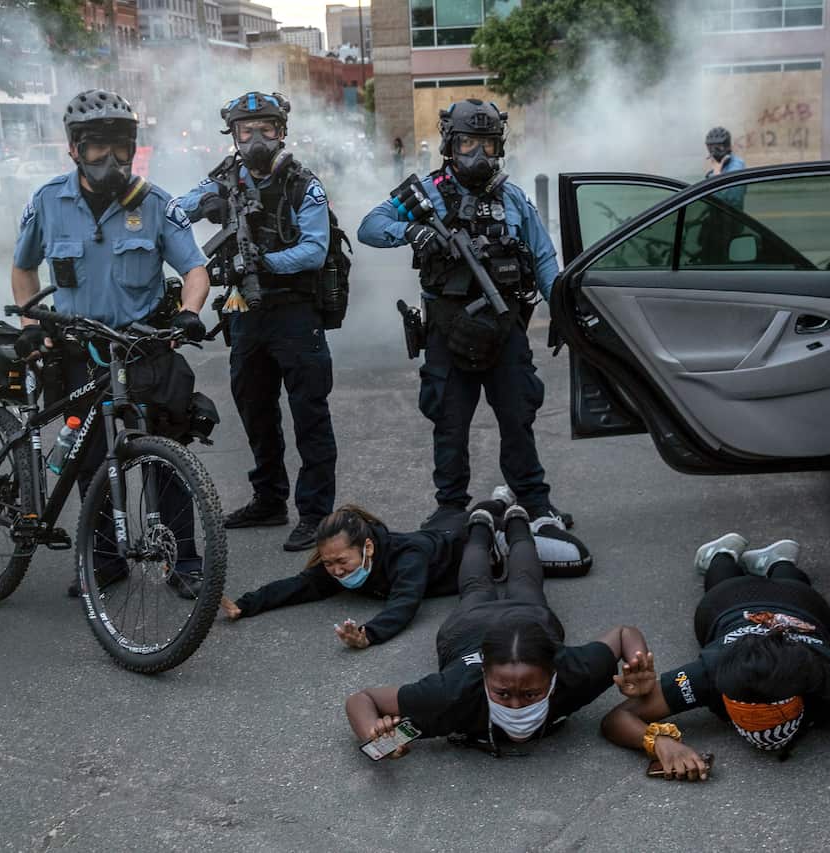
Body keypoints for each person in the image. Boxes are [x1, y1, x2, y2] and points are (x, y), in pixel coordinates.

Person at [10, 88, 211, 598]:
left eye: (122, 145)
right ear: (74, 148)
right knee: (90, 460)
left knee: (165, 458)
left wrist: (189, 314)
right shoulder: (47, 201)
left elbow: (194, 269)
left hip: (144, 350)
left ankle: (182, 560)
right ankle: (104, 561)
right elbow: (23, 266)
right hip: (79, 353)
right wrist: (31, 323)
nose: (112, 157)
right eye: (98, 145)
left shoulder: (157, 203)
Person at [600, 534, 830, 819]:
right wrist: (658, 742)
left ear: (803, 691)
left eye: (767, 711)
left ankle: (780, 561)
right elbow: (618, 718)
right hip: (730, 605)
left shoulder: (824, 675)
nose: (758, 722)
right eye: (747, 710)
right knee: (723, 578)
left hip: (802, 606)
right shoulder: (711, 671)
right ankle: (725, 552)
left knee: (791, 582)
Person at [356, 99, 566, 531]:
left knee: (517, 417)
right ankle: (451, 508)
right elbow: (369, 226)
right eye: (469, 143)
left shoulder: (513, 197)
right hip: (447, 331)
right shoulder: (427, 193)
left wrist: (561, 311)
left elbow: (544, 258)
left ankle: (535, 502)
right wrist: (411, 232)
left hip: (505, 327)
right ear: (452, 144)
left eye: (487, 145)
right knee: (449, 424)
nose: (478, 155)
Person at [345, 503, 649, 757]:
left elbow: (625, 635)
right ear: (483, 676)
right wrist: (377, 737)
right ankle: (480, 523)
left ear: (555, 673)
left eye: (531, 694)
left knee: (525, 582)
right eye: (502, 693)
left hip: (529, 618)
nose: (516, 706)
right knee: (477, 585)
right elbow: (362, 700)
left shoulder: (576, 672)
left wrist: (639, 667)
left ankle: (517, 520)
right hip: (469, 627)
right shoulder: (450, 695)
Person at [176, 92, 337, 552]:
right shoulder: (225, 181)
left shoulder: (303, 183)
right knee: (255, 409)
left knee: (310, 415)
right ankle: (269, 500)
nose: (256, 138)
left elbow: (314, 249)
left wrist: (262, 262)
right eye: (246, 131)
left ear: (281, 130)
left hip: (294, 313)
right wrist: (196, 208)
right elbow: (176, 212)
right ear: (233, 135)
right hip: (246, 315)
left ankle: (316, 514)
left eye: (265, 128)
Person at [219, 489, 593, 648]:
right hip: (446, 530)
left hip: (488, 545)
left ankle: (534, 518)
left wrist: (369, 634)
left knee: (575, 561)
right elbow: (299, 585)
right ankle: (498, 500)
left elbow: (404, 604)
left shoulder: (407, 558)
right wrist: (248, 604)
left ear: (367, 548)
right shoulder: (339, 563)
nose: (333, 570)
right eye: (329, 562)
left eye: (340, 562)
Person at [703, 126, 746, 209]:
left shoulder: (737, 167)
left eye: (719, 146)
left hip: (729, 217)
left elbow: (730, 201)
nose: (714, 151)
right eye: (711, 147)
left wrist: (716, 174)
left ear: (728, 146)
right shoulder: (719, 163)